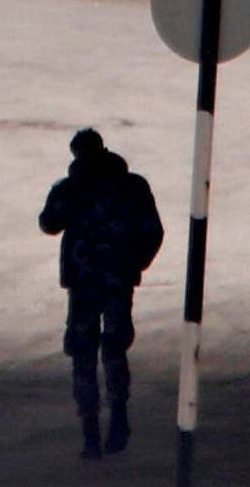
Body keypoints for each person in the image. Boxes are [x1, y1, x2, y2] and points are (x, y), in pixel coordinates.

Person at [39, 128, 164, 460]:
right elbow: (152, 230)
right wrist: (134, 263)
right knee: (113, 347)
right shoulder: (131, 186)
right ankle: (117, 418)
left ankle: (92, 432)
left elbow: (48, 223)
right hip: (115, 279)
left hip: (84, 282)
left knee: (84, 353)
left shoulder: (72, 188)